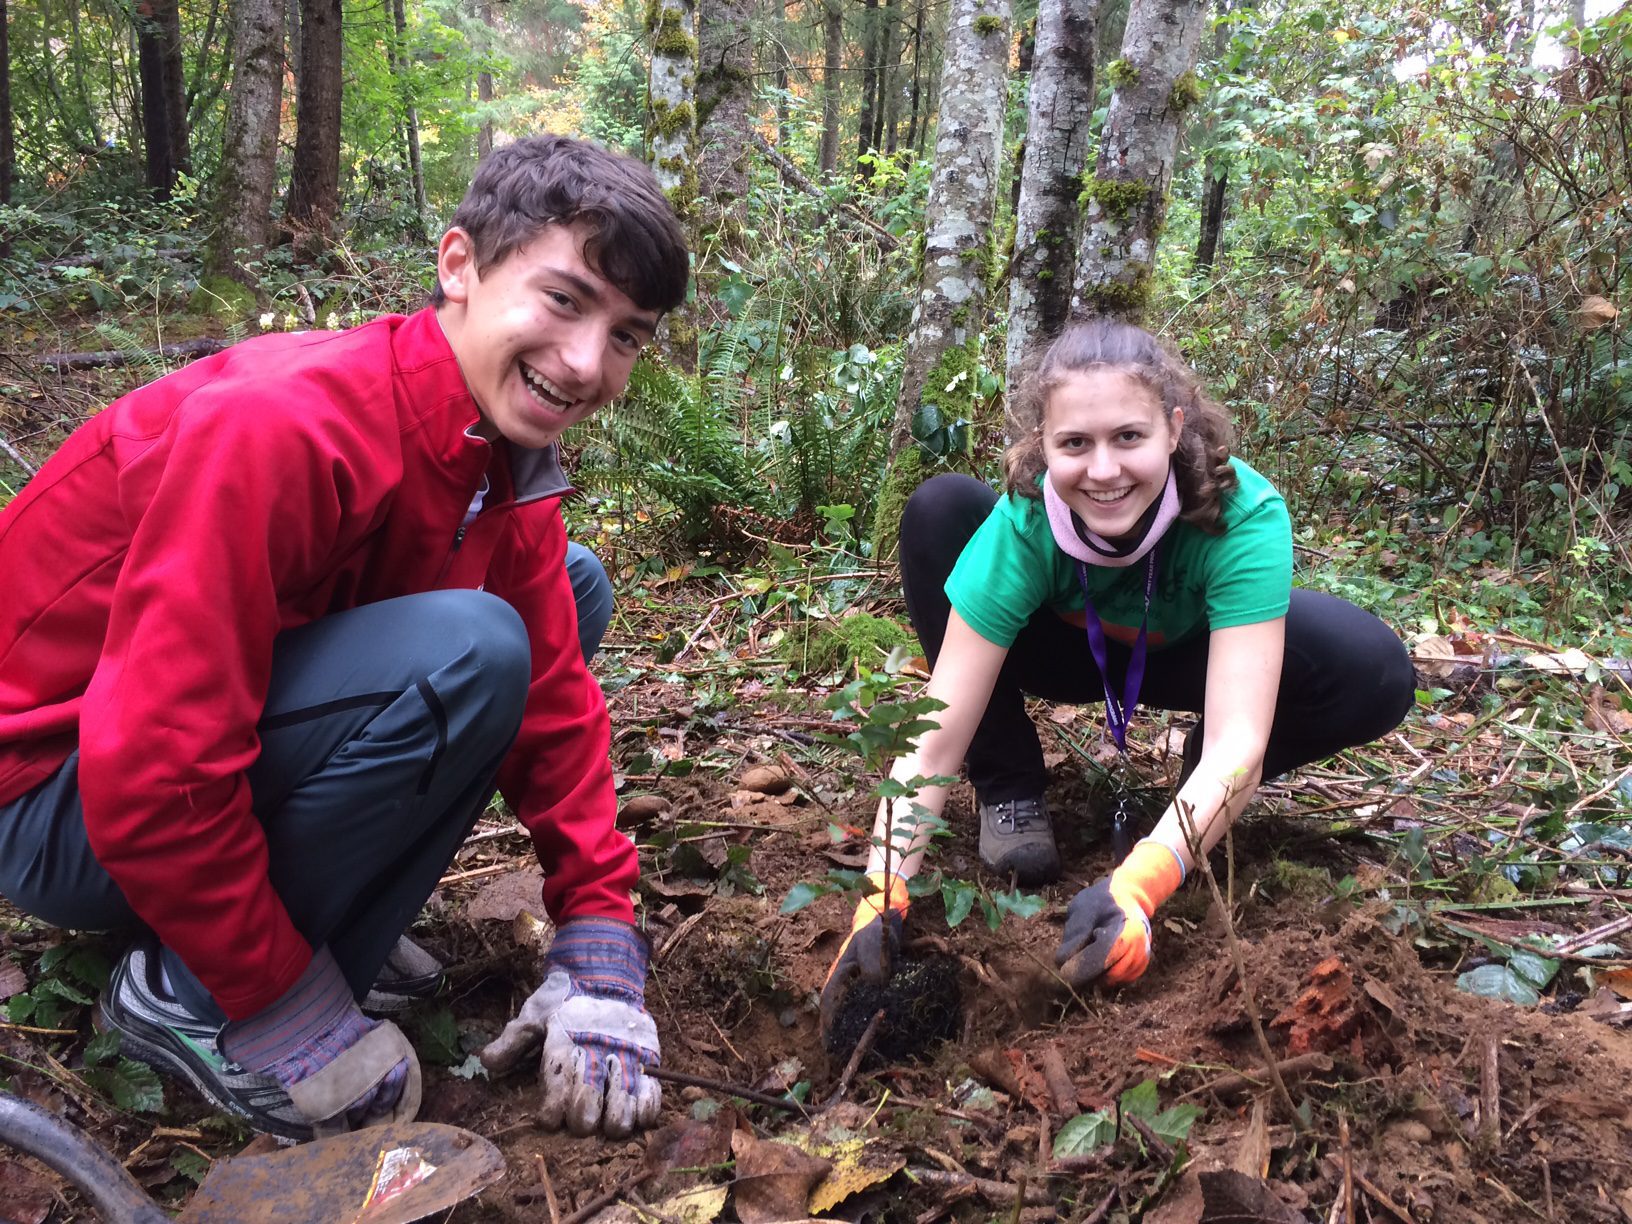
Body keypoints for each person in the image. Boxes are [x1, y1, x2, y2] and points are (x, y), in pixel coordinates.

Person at [0, 135, 687, 1142]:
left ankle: (293, 921)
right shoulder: (284, 428)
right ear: (459, 266)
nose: (587, 363)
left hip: (154, 763)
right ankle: (196, 996)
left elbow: (555, 704)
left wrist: (598, 944)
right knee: (476, 648)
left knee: (560, 599)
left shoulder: (496, 454)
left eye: (627, 334)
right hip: (49, 792)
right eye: (564, 300)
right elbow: (147, 769)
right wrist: (278, 994)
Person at [821, 319, 1415, 1030]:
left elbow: (1240, 739)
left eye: (1128, 437)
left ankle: (1193, 810)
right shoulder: (1025, 519)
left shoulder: (1242, 514)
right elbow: (935, 735)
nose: (1103, 471)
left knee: (1372, 665)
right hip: (1054, 650)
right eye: (1075, 443)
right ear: (1044, 446)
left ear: (1172, 428)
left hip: (1190, 658)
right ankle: (1009, 787)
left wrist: (1141, 882)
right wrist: (882, 891)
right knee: (941, 507)